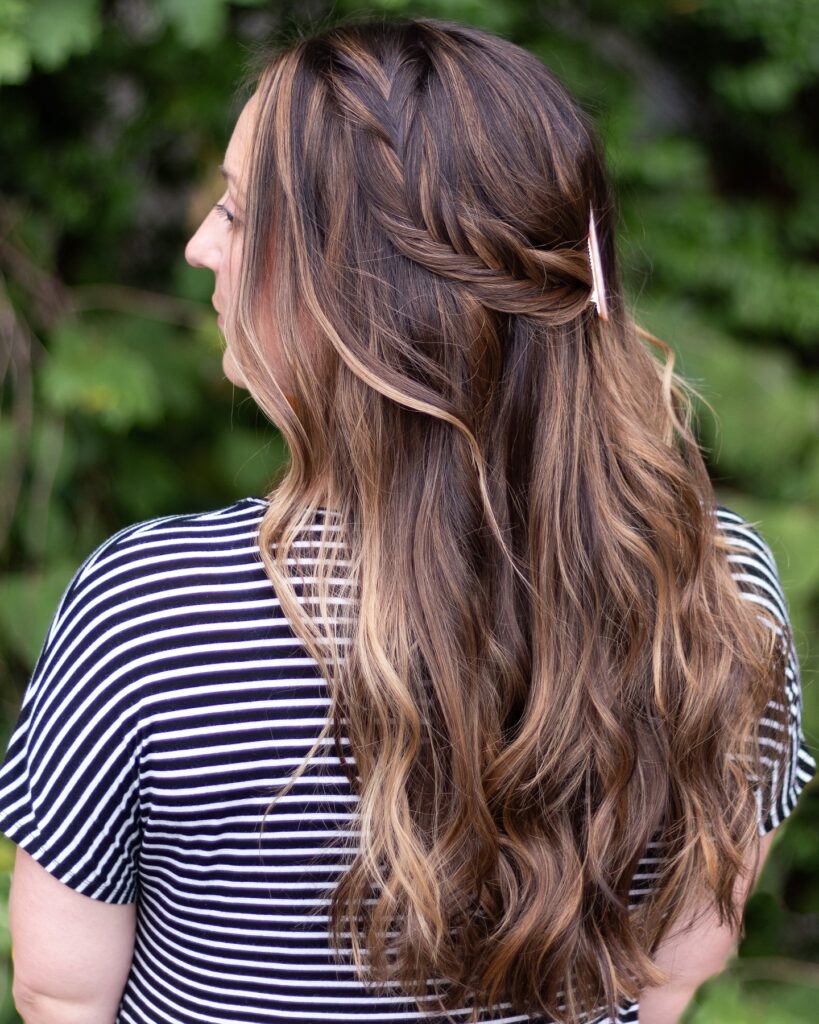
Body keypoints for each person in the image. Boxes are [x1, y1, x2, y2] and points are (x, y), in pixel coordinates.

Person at [0, 14, 815, 1024]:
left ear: (361, 294)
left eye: (241, 212)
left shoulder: (154, 603)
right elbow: (678, 963)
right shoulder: (714, 583)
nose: (198, 244)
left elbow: (57, 986)